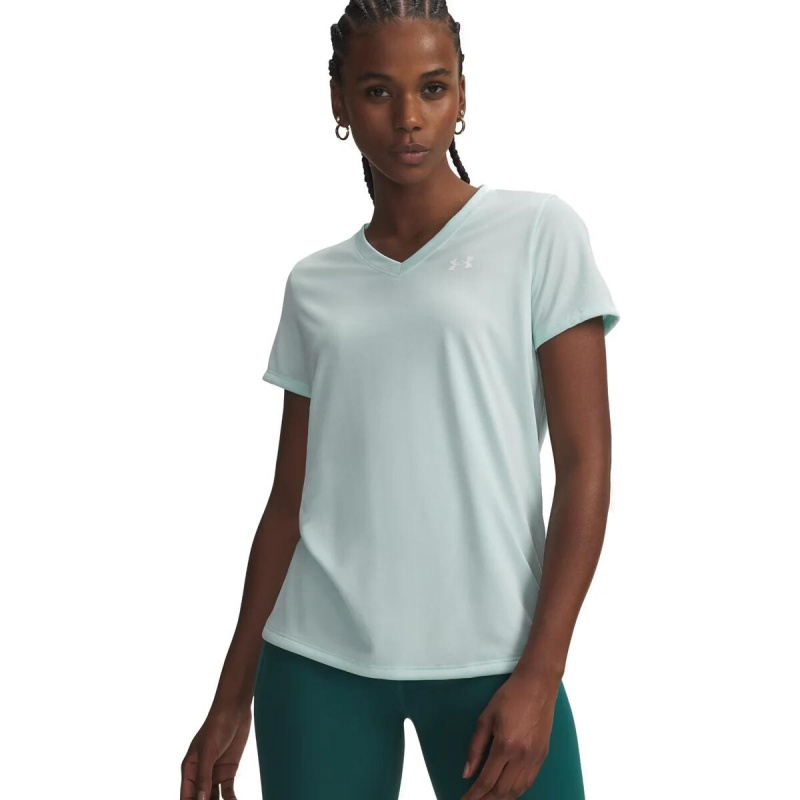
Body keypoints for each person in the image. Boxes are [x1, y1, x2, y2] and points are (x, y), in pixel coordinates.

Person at [180, 2, 621, 799]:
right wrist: (230, 697)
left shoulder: (539, 232)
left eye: (433, 87)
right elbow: (289, 502)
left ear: (462, 95)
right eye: (378, 91)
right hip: (316, 665)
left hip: (496, 662)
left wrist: (542, 671)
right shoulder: (315, 284)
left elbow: (587, 466)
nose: (409, 117)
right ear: (340, 102)